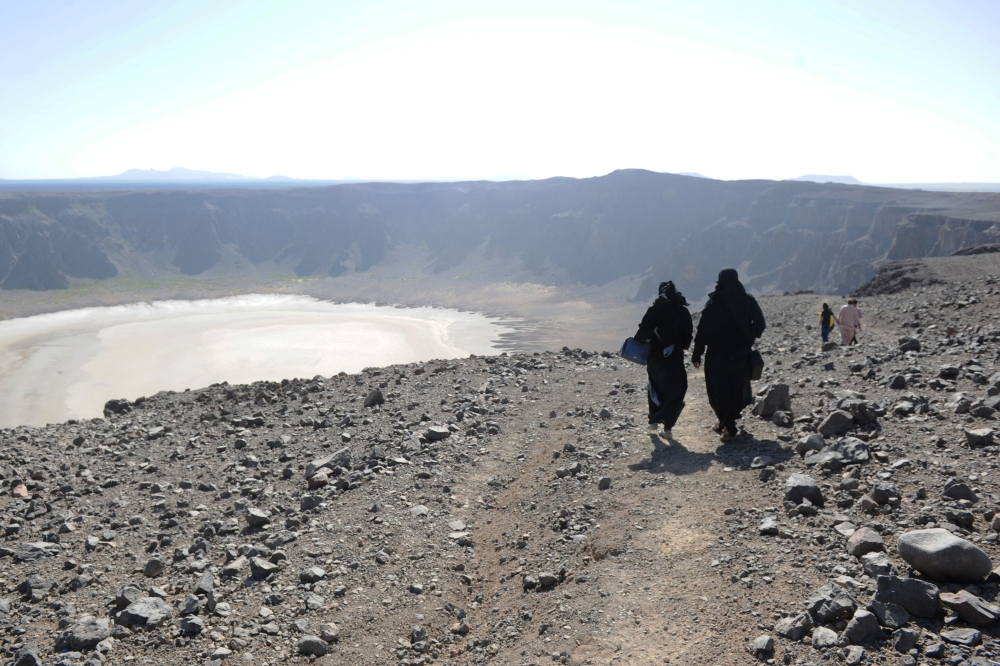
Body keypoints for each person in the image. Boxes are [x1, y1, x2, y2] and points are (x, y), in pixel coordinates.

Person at [691, 269, 766, 441]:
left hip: (717, 356)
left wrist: (697, 354)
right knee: (737, 389)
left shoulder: (714, 302)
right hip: (740, 354)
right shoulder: (747, 299)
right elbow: (760, 324)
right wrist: (750, 337)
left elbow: (702, 330)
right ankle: (726, 423)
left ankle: (728, 426)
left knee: (718, 391)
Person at [634, 281, 693, 439]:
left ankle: (653, 421)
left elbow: (643, 330)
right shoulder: (682, 312)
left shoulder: (655, 310)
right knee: (675, 390)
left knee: (654, 388)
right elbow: (687, 339)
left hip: (654, 358)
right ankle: (667, 428)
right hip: (674, 359)